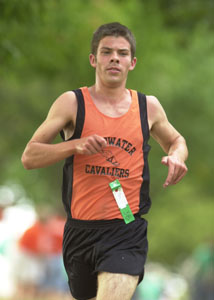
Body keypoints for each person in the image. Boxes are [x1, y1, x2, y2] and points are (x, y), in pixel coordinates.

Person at [21, 22, 188, 300]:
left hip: (126, 228)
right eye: (106, 52)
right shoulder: (72, 103)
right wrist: (74, 145)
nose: (114, 58)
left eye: (122, 53)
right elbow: (30, 156)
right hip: (80, 231)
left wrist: (177, 156)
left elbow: (177, 140)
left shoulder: (148, 107)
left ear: (132, 63)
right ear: (93, 59)